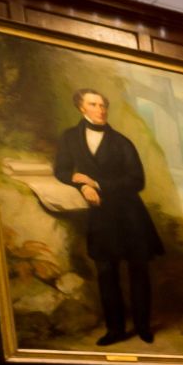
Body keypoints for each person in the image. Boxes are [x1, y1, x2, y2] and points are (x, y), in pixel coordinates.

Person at [51, 88, 165, 345]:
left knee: (138, 271)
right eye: (94, 104)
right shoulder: (70, 137)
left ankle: (143, 327)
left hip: (130, 215)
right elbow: (62, 170)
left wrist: (97, 184)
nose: (100, 109)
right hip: (101, 217)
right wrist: (82, 184)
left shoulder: (122, 142)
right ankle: (115, 329)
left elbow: (137, 180)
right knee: (106, 272)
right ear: (81, 107)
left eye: (103, 105)